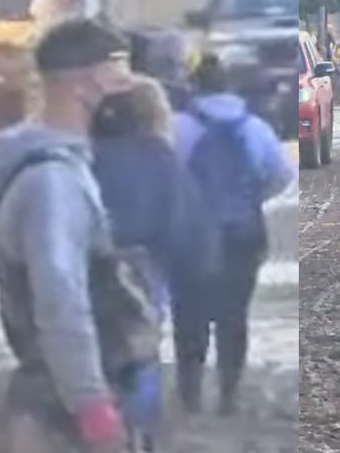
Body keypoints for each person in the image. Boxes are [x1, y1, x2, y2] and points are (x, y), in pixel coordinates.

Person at [0, 18, 151, 453]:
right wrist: (92, 406)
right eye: (119, 69)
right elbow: (61, 299)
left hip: (63, 400)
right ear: (86, 83)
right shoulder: (52, 183)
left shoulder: (63, 167)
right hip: (61, 415)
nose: (129, 84)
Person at [89, 74, 213, 445]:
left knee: (95, 351)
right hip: (142, 269)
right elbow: (182, 223)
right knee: (140, 355)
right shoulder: (159, 158)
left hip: (89, 265)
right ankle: (138, 433)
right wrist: (195, 269)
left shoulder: (83, 153)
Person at [174, 54, 293, 415]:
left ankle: (190, 394)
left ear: (193, 86)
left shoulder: (175, 126)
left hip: (190, 236)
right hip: (242, 233)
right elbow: (281, 176)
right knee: (233, 315)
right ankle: (228, 392)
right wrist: (249, 199)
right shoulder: (254, 127)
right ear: (229, 86)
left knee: (189, 315)